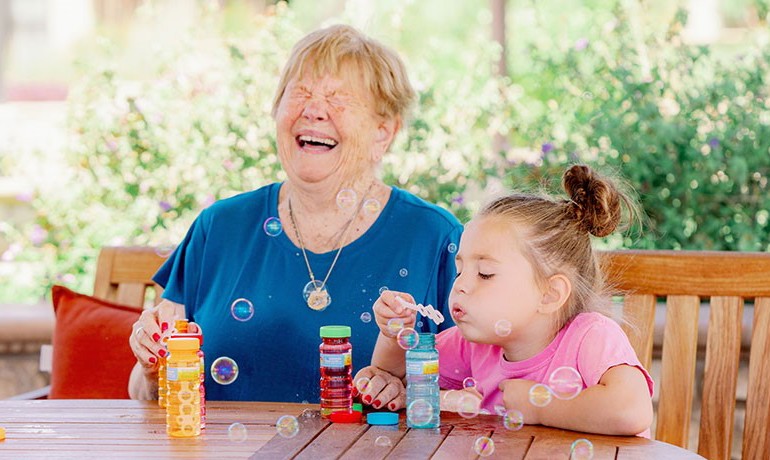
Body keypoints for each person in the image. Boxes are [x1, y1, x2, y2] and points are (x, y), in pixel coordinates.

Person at [128, 24, 461, 403]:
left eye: (338, 98)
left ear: (383, 132)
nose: (314, 110)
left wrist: (412, 391)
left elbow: (475, 388)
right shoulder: (219, 227)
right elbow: (144, 395)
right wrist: (152, 369)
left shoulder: (434, 238)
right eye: (300, 92)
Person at [366, 165, 654, 436]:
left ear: (550, 294)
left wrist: (538, 406)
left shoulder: (591, 336)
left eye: (485, 274)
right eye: (460, 270)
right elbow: (398, 375)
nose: (460, 285)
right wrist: (394, 332)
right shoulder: (474, 344)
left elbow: (631, 410)